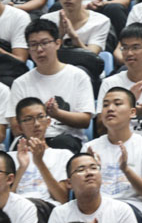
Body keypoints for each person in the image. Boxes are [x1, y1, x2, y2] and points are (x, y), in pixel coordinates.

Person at [9, 19, 93, 153]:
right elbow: (15, 126)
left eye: (45, 43)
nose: (39, 50)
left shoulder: (77, 76)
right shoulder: (20, 83)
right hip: (32, 140)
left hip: (67, 140)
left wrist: (57, 114)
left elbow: (85, 120)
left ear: (57, 43)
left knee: (63, 143)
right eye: (33, 45)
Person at [84, 87, 142, 217]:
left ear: (132, 112)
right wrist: (92, 174)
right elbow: (82, 194)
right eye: (105, 105)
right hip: (98, 207)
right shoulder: (90, 147)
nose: (110, 108)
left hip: (133, 208)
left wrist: (126, 170)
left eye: (117, 104)